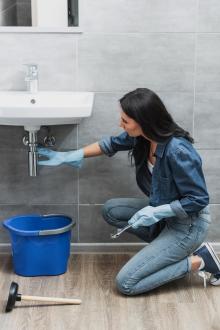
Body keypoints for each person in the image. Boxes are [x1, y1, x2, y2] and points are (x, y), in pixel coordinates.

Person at [37, 88, 220, 294]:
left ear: (144, 121)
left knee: (126, 283)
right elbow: (110, 144)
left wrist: (158, 211)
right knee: (111, 210)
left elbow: (199, 199)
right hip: (165, 219)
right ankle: (171, 250)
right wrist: (68, 156)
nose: (120, 124)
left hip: (188, 226)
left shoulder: (178, 151)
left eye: (125, 121)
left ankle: (201, 260)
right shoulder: (142, 137)